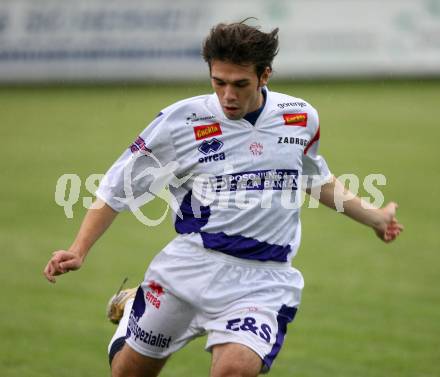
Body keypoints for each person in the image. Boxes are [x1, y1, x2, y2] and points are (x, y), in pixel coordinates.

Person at [43, 20, 403, 377]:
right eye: (219, 82)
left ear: (265, 76)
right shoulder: (180, 121)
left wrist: (375, 217)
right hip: (189, 268)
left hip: (264, 278)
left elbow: (312, 177)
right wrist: (79, 249)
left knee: (234, 371)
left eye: (240, 84)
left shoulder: (300, 117)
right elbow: (118, 185)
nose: (228, 95)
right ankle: (136, 304)